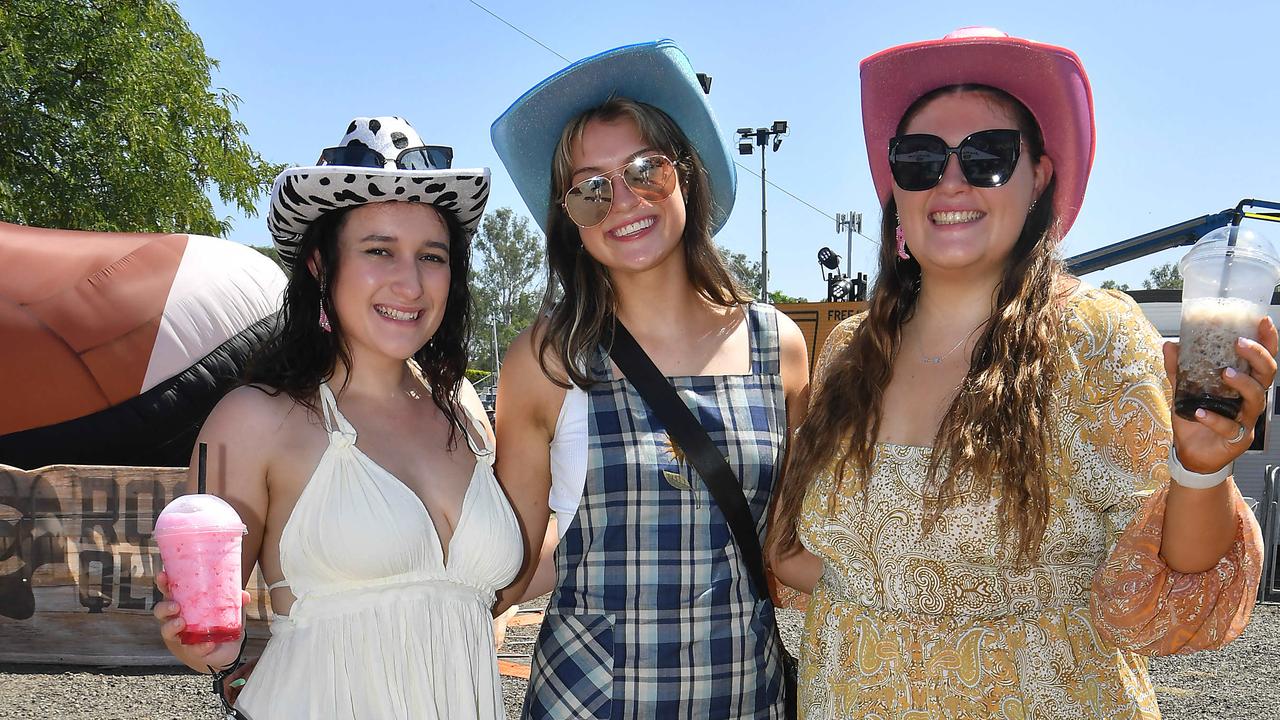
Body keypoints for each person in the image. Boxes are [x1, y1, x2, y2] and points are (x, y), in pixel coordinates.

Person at [768, 28, 1268, 720]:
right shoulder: (852, 349)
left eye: (988, 156)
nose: (951, 180)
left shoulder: (1096, 334)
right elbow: (815, 562)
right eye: (919, 159)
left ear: (1040, 177)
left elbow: (1173, 577)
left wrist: (1202, 468)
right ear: (896, 190)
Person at [151, 116, 522, 719]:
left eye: (432, 256)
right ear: (321, 267)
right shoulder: (254, 420)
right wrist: (200, 642)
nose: (410, 282)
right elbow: (209, 636)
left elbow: (480, 600)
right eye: (379, 251)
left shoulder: (466, 413)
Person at [490, 40, 809, 718]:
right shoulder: (546, 359)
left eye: (645, 169)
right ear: (570, 218)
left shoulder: (777, 346)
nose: (623, 202)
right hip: (587, 700)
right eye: (590, 188)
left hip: (743, 695)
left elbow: (788, 547)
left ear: (685, 176)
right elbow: (517, 553)